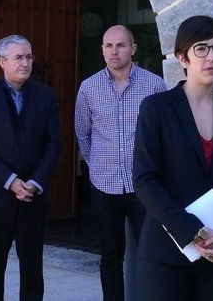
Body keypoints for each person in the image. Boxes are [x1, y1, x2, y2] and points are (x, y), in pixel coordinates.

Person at [133, 15, 213, 300]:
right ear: (182, 58)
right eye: (200, 48)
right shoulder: (157, 108)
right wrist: (194, 231)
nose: (211, 56)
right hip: (167, 252)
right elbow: (145, 180)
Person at [74, 25, 167, 301]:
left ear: (133, 48)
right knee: (110, 256)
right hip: (104, 185)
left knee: (151, 253)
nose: (114, 51)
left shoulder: (154, 85)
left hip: (143, 185)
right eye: (108, 46)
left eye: (121, 45)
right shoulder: (88, 88)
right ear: (102, 49)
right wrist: (96, 166)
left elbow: (164, 134)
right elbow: (82, 132)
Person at [0, 34, 61, 301]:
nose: (26, 63)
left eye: (29, 56)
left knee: (32, 268)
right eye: (19, 57)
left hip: (33, 196)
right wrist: (10, 181)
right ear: (2, 61)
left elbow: (53, 145)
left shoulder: (45, 96)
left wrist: (34, 182)